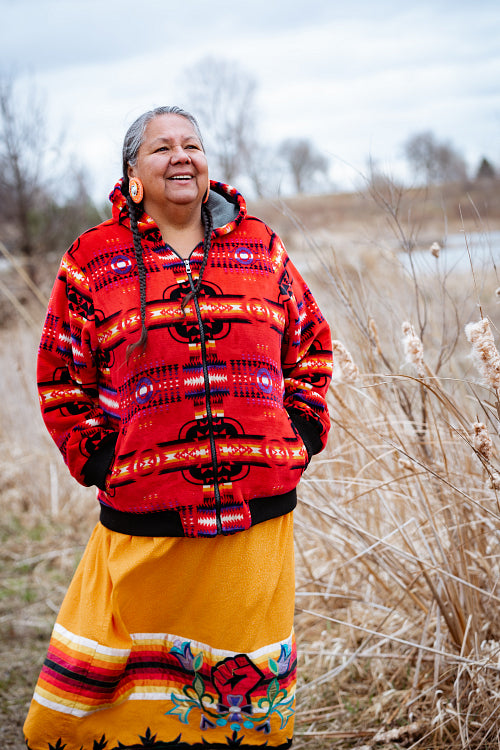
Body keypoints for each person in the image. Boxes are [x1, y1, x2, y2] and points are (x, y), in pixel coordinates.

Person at [24, 106, 333, 750]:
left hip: (257, 511)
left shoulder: (259, 245)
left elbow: (310, 344)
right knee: (98, 703)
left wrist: (298, 432)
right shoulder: (94, 258)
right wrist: (101, 458)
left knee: (242, 708)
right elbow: (60, 373)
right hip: (146, 508)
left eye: (192, 144)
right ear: (133, 172)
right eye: (162, 148)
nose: (182, 156)